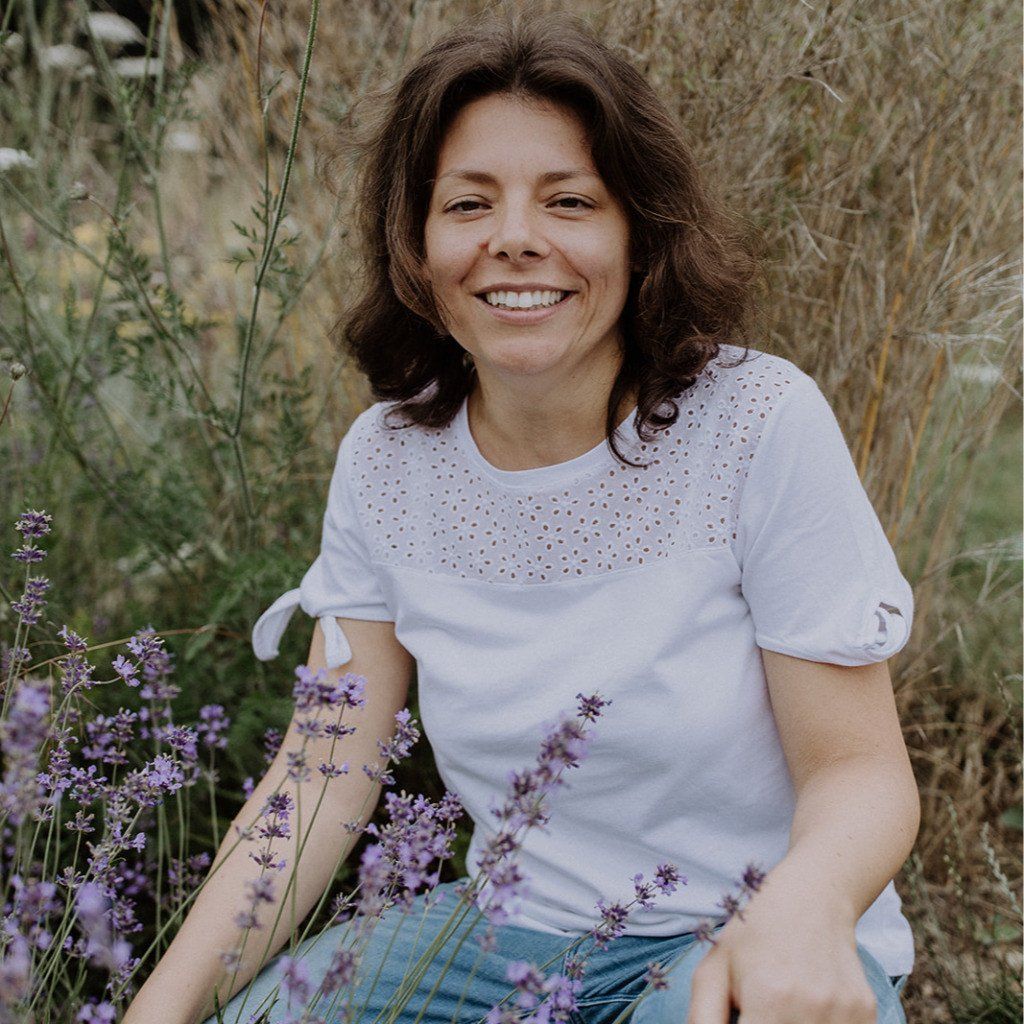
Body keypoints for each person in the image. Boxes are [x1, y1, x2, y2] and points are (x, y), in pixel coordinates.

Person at [123, 9, 920, 1024]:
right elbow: (321, 779)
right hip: (502, 941)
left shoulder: (755, 422)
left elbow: (860, 770)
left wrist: (805, 910)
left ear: (639, 234)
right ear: (416, 245)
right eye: (467, 203)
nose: (513, 239)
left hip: (742, 935)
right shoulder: (386, 460)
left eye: (569, 200)